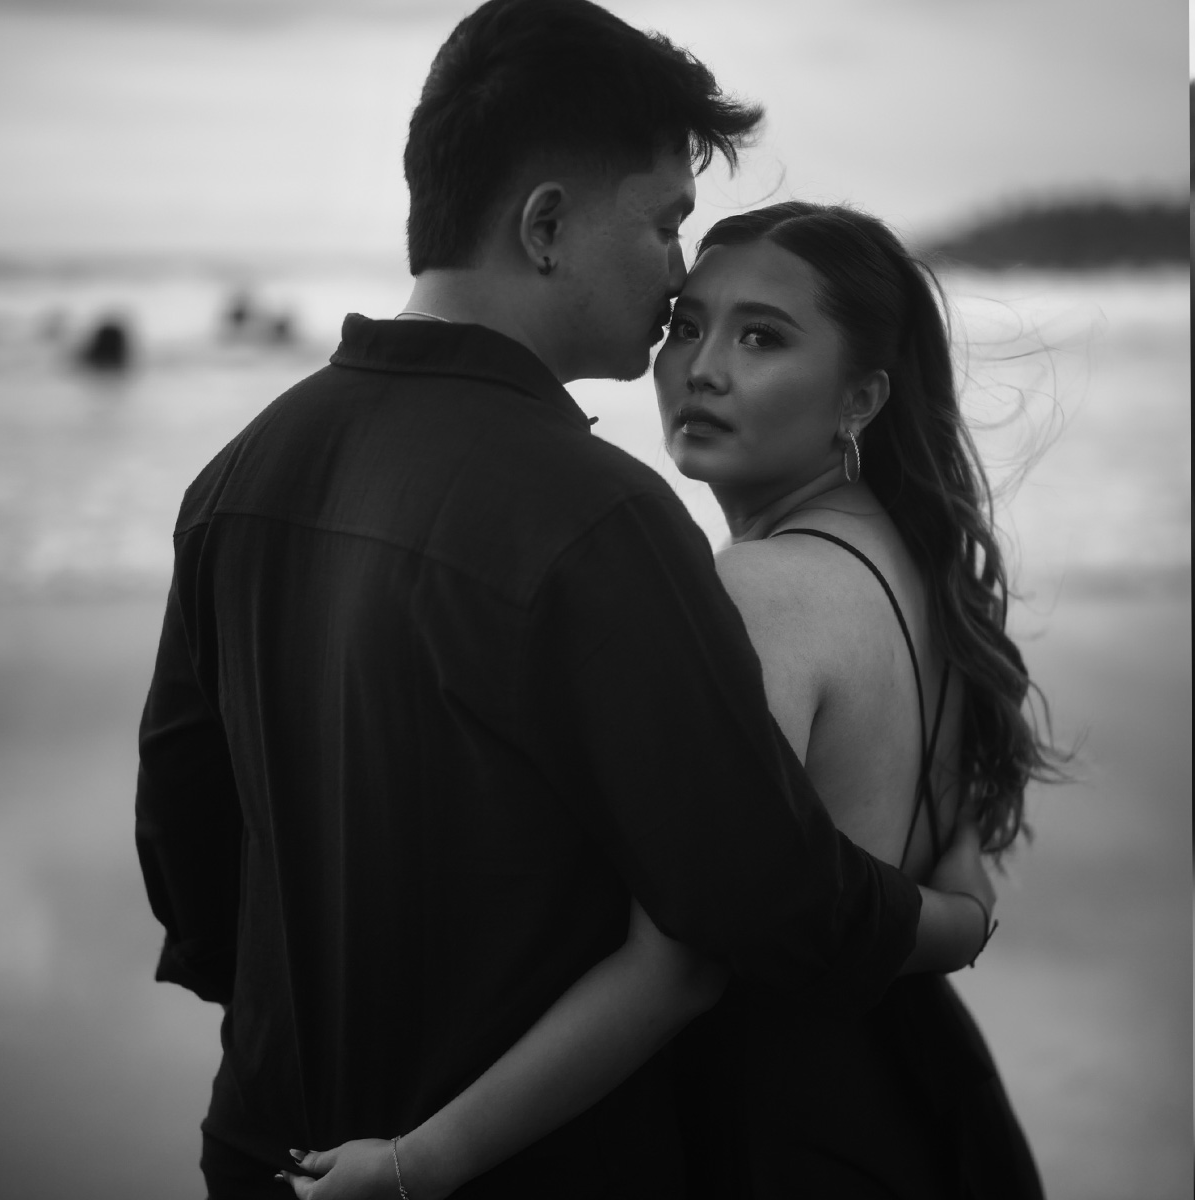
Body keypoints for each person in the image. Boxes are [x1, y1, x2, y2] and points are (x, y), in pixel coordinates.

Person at [135, 3, 993, 1196]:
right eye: (665, 223)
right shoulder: (603, 520)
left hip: (266, 1148)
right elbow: (749, 902)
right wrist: (957, 917)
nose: (677, 268)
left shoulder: (234, 478)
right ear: (545, 227)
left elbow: (186, 849)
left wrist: (319, 1025)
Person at [283, 202, 1056, 1199]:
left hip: (777, 1123)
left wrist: (415, 1164)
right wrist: (962, 917)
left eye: (761, 338)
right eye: (687, 325)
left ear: (861, 397)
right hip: (914, 1083)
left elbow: (678, 967)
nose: (703, 369)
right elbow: (952, 872)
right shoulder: (914, 563)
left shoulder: (762, 593)